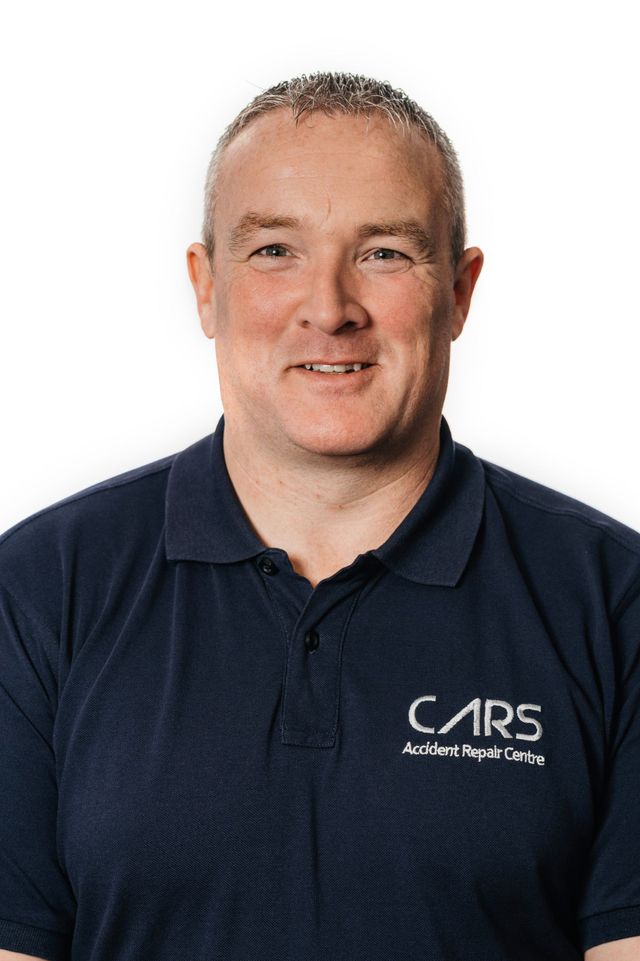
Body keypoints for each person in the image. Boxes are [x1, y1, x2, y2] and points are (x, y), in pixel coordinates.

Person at [0, 71, 638, 961]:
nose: (331, 309)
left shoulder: (613, 600)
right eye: (275, 250)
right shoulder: (39, 589)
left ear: (460, 291)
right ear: (206, 287)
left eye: (385, 253)